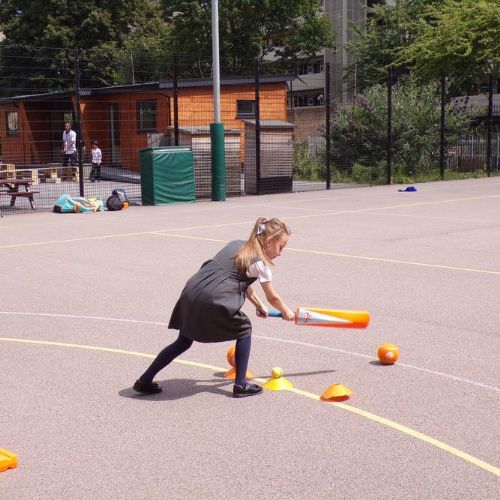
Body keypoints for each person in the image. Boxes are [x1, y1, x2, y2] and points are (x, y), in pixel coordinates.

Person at [133, 216, 295, 398]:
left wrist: (259, 305)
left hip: (193, 291)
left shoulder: (236, 245)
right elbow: (272, 297)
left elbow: (240, 280)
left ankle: (144, 380)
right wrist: (286, 312)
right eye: (281, 247)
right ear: (269, 241)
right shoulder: (260, 264)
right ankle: (241, 385)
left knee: (183, 340)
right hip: (213, 297)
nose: (280, 253)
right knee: (244, 328)